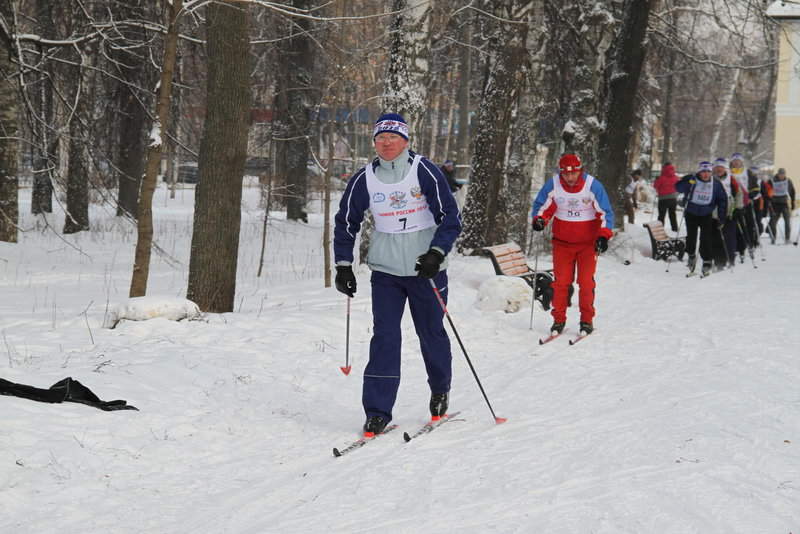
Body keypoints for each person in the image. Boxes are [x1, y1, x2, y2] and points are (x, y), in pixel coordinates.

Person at [333, 112, 462, 436]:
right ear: (374, 142)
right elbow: (346, 221)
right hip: (386, 271)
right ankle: (378, 411)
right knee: (385, 337)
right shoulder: (365, 178)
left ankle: (440, 390)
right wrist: (343, 265)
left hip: (426, 269)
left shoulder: (424, 170)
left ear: (405, 140)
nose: (386, 143)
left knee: (431, 332)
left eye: (393, 137)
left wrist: (436, 252)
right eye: (380, 138)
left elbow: (450, 217)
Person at [530, 153, 614, 336]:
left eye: (573, 173)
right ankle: (558, 320)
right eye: (565, 174)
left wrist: (603, 236)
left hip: (587, 244)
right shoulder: (553, 185)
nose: (569, 177)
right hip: (562, 244)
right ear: (561, 172)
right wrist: (539, 220)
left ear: (580, 171)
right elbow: (542, 207)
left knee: (586, 283)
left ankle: (586, 321)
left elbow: (606, 213)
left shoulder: (593, 186)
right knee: (561, 283)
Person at [675, 161, 728, 276]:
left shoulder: (716, 184)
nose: (706, 174)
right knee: (691, 236)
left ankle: (707, 260)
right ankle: (691, 255)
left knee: (706, 238)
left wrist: (721, 217)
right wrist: (688, 182)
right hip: (691, 212)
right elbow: (678, 188)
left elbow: (722, 200)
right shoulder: (692, 179)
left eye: (708, 172)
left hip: (706, 213)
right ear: (699, 172)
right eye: (703, 172)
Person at [711, 157, 742, 269]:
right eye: (717, 167)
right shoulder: (709, 178)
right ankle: (718, 261)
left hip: (729, 212)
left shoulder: (731, 179)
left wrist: (738, 208)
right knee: (715, 238)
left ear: (725, 169)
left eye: (721, 167)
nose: (719, 169)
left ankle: (730, 259)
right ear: (713, 168)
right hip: (713, 214)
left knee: (729, 237)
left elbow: (739, 194)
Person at [766, 168, 796, 244]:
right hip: (774, 204)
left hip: (784, 204)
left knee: (787, 221)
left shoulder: (788, 181)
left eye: (783, 174)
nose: (782, 176)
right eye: (780, 174)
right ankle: (773, 238)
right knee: (773, 222)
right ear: (778, 174)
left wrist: (793, 203)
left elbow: (792, 192)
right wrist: (768, 200)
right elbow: (766, 190)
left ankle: (787, 238)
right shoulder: (771, 181)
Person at [653, 162, 680, 232]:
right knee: (672, 215)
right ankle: (675, 229)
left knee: (661, 215)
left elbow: (655, 186)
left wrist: (656, 180)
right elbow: (679, 186)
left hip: (663, 199)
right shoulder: (676, 177)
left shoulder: (661, 177)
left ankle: (660, 230)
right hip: (673, 198)